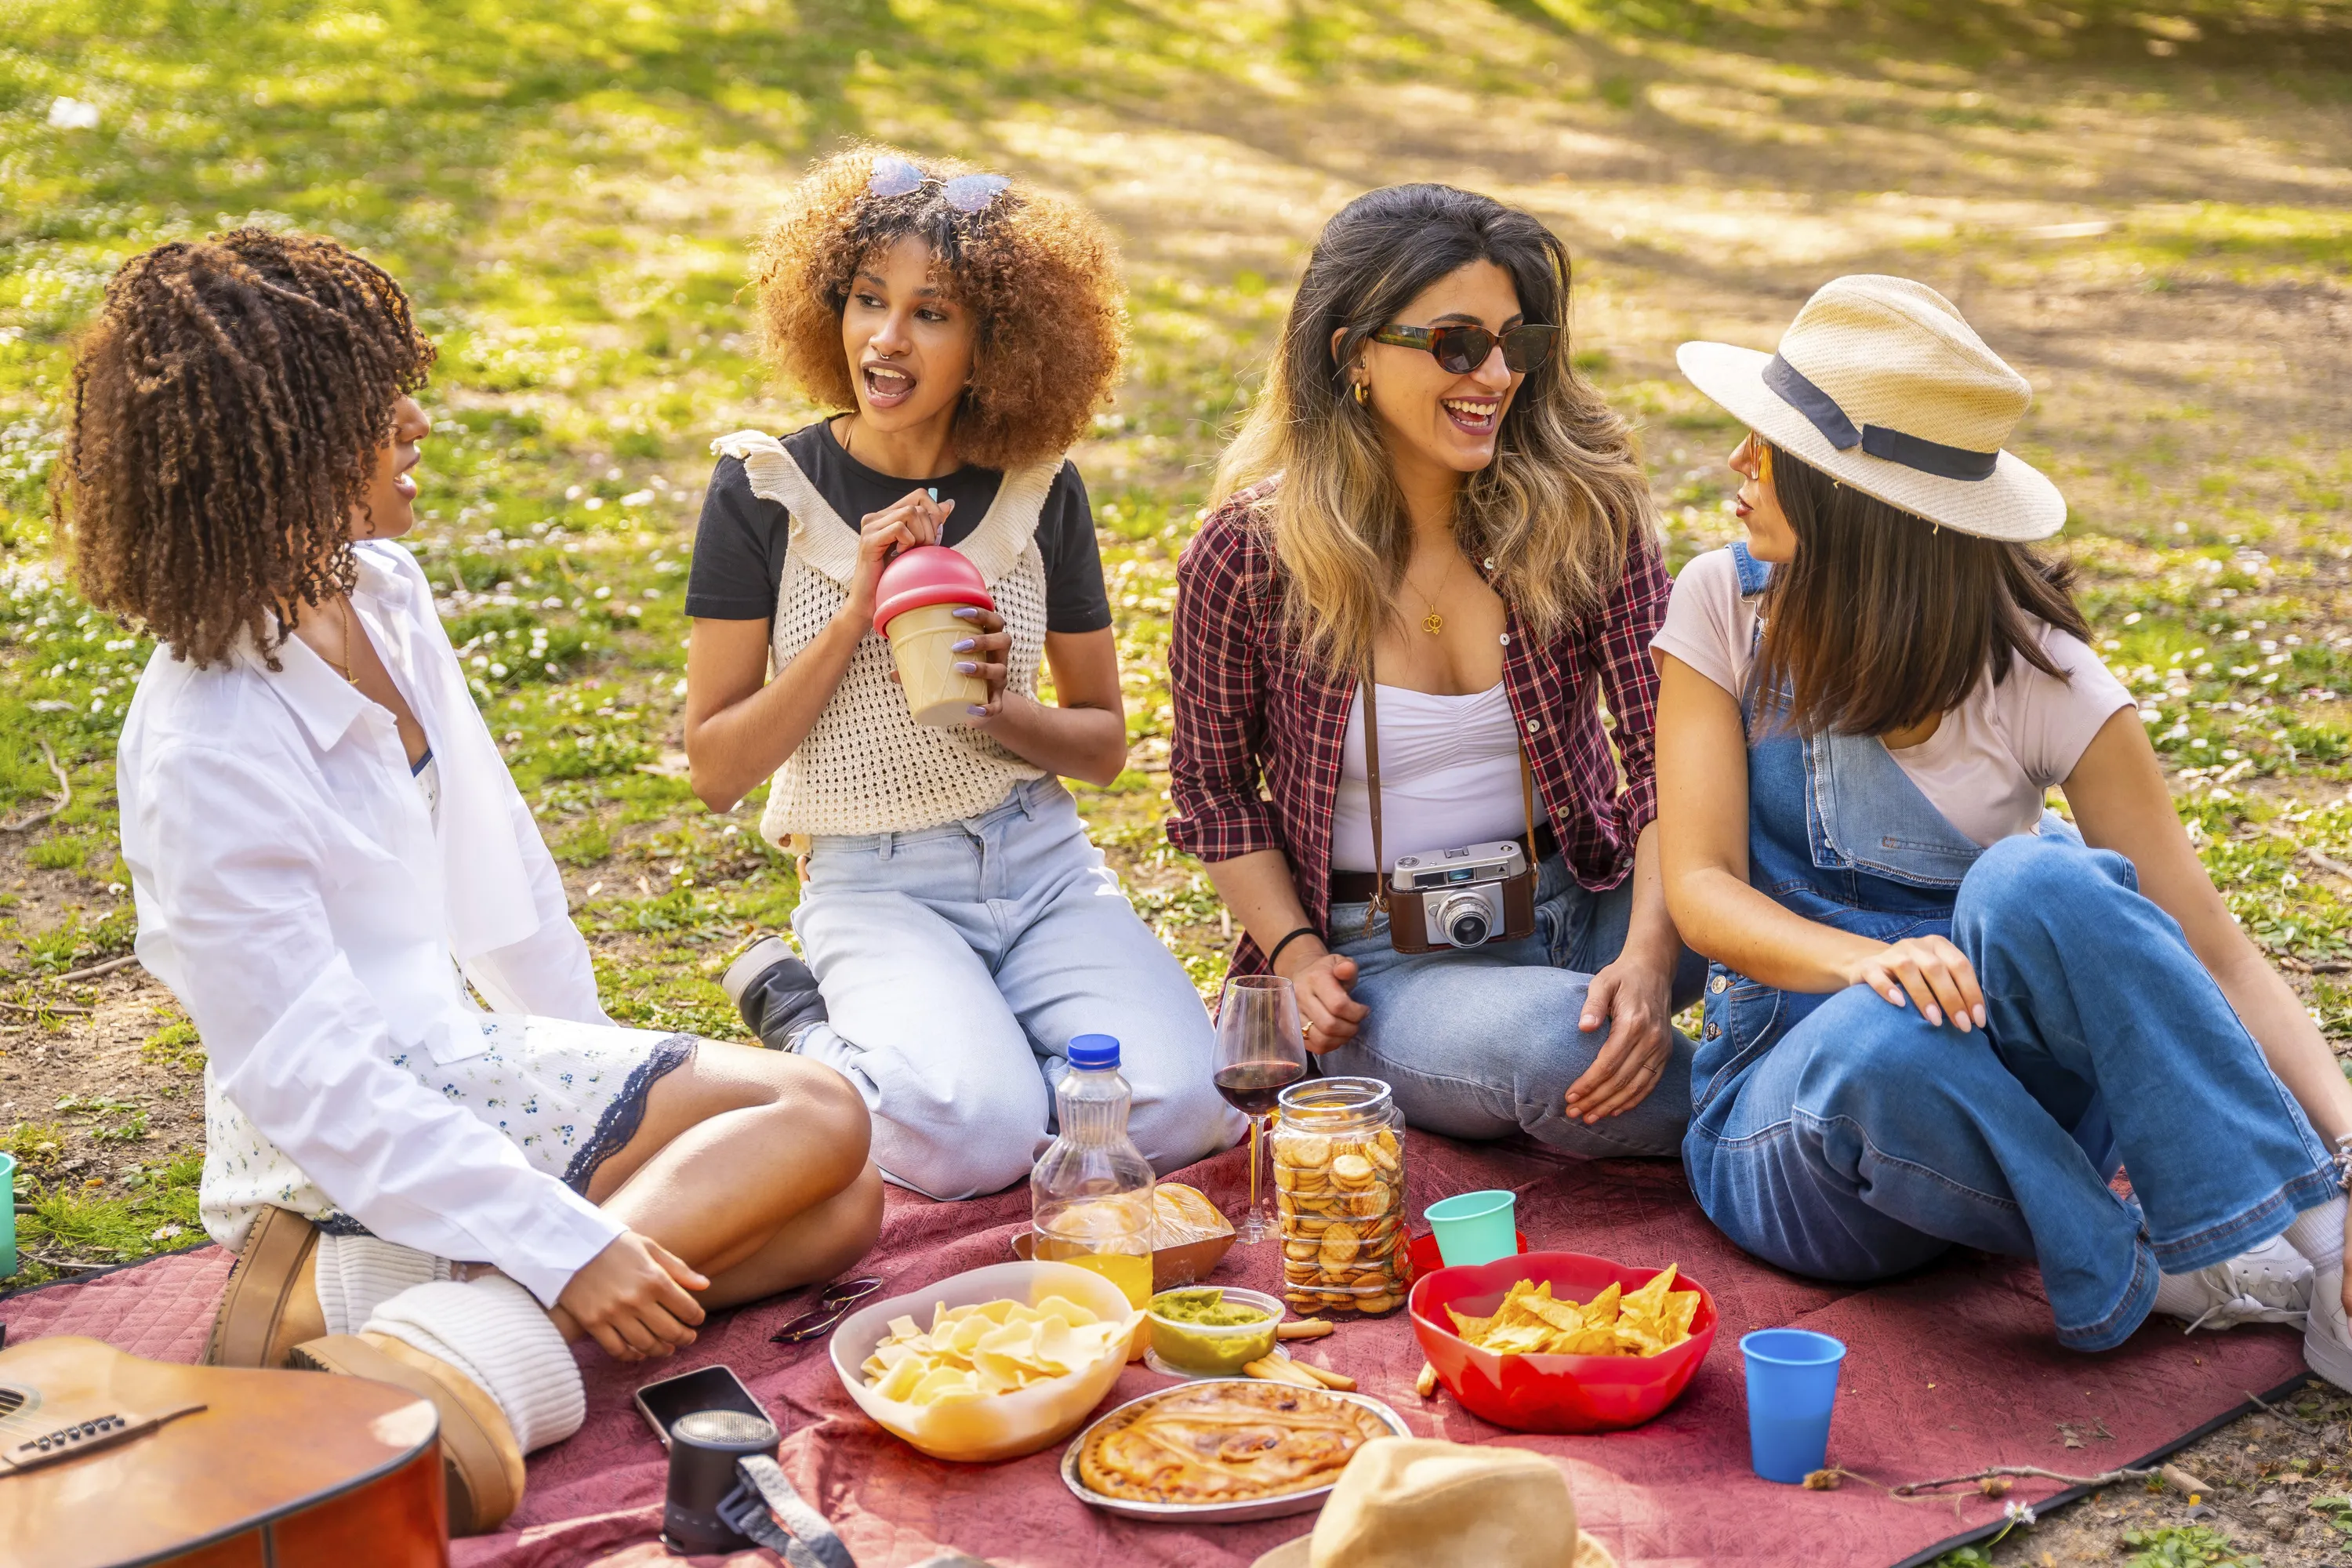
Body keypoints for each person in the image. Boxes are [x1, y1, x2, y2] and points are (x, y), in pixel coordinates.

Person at [60, 230, 883, 1533]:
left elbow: (505, 883)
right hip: (326, 1130)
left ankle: (395, 1318)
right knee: (819, 1113)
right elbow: (305, 1076)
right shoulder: (202, 741)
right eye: (375, 407)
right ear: (287, 448)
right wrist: (575, 1241)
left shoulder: (380, 591)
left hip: (452, 1062)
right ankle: (445, 1323)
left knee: (842, 1210)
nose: (417, 423)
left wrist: (617, 1090)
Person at [1655, 273, 2352, 1378]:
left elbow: (2209, 945)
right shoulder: (1719, 604)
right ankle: (2144, 1264)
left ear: (1856, 498)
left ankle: (2331, 1253)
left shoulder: (2044, 674)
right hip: (1802, 1124)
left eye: (1773, 444)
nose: (1738, 460)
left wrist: (2349, 1146)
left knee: (2042, 877)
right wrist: (1867, 962)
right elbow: (1699, 888)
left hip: (2016, 1103)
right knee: (1881, 1037)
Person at [686, 147, 1238, 1200]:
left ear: (995, 343)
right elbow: (715, 769)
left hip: (1039, 862)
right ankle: (806, 1027)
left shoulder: (1040, 491)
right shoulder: (764, 487)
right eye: (867, 300)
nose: (886, 338)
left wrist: (1001, 709)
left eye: (931, 313)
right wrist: (855, 613)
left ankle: (981, 1060)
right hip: (872, 877)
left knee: (1182, 1104)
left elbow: (1104, 747)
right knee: (975, 1139)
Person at [1167, 183, 1703, 1156]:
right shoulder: (1247, 555)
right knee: (1557, 1045)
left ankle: (1852, 1062)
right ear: (1353, 354)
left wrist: (1650, 954)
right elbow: (1213, 793)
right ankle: (1806, 1117)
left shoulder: (1586, 509)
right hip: (1388, 958)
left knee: (1786, 829)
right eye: (1457, 344)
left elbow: (1669, 746)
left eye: (1517, 342)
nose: (1495, 375)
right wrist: (1296, 953)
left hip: (1597, 889)